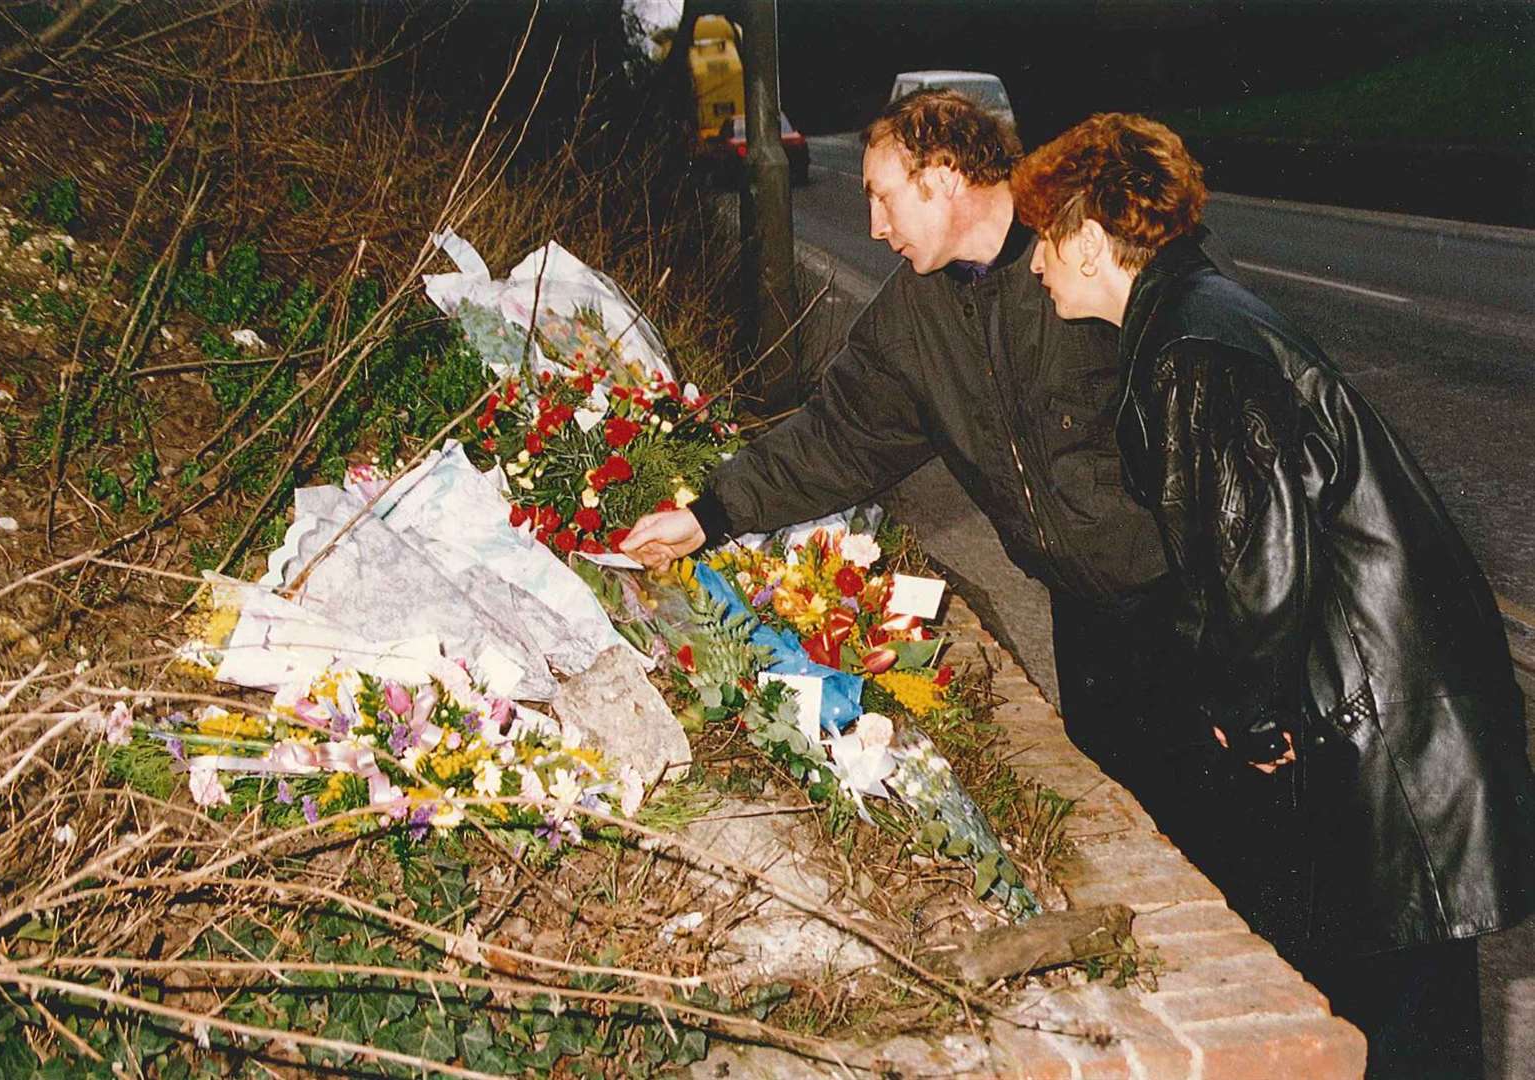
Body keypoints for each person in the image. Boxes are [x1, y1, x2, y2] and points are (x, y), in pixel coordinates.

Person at [1009, 111, 1535, 1079]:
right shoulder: (1199, 316)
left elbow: (1258, 571)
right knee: (1401, 1024)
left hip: (1389, 751)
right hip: (1393, 723)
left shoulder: (1191, 350)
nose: (1034, 265)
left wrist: (1242, 722)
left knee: (1403, 1035)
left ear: (1086, 240)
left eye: (1043, 239)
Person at [622, 89, 1221, 829]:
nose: (875, 227)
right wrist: (707, 515)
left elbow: (1209, 424)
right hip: (1084, 614)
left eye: (883, 197)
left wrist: (1240, 627)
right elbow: (836, 437)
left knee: (1232, 817)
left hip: (1189, 602)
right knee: (1141, 812)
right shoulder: (915, 315)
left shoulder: (1083, 256)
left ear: (942, 178)